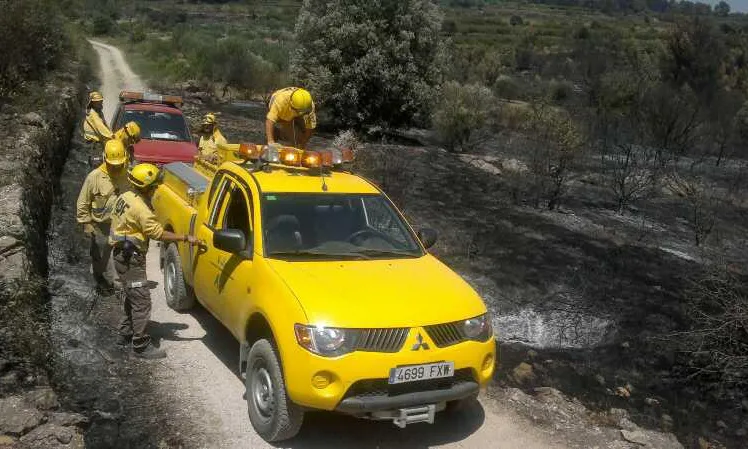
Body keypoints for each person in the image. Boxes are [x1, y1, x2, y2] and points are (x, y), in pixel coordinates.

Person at [109, 163, 200, 359]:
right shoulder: (142, 210)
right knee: (141, 301)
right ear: (147, 187)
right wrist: (185, 238)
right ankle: (140, 346)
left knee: (131, 295)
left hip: (119, 255)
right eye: (154, 186)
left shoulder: (125, 197)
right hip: (131, 260)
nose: (156, 189)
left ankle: (125, 332)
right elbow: (158, 233)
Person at [76, 139, 130, 293]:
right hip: (100, 225)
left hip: (120, 223)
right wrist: (86, 223)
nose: (116, 168)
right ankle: (98, 277)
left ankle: (116, 281)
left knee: (117, 252)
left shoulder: (125, 174)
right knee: (102, 254)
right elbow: (82, 202)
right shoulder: (94, 177)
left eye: (119, 164)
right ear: (105, 159)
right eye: (113, 165)